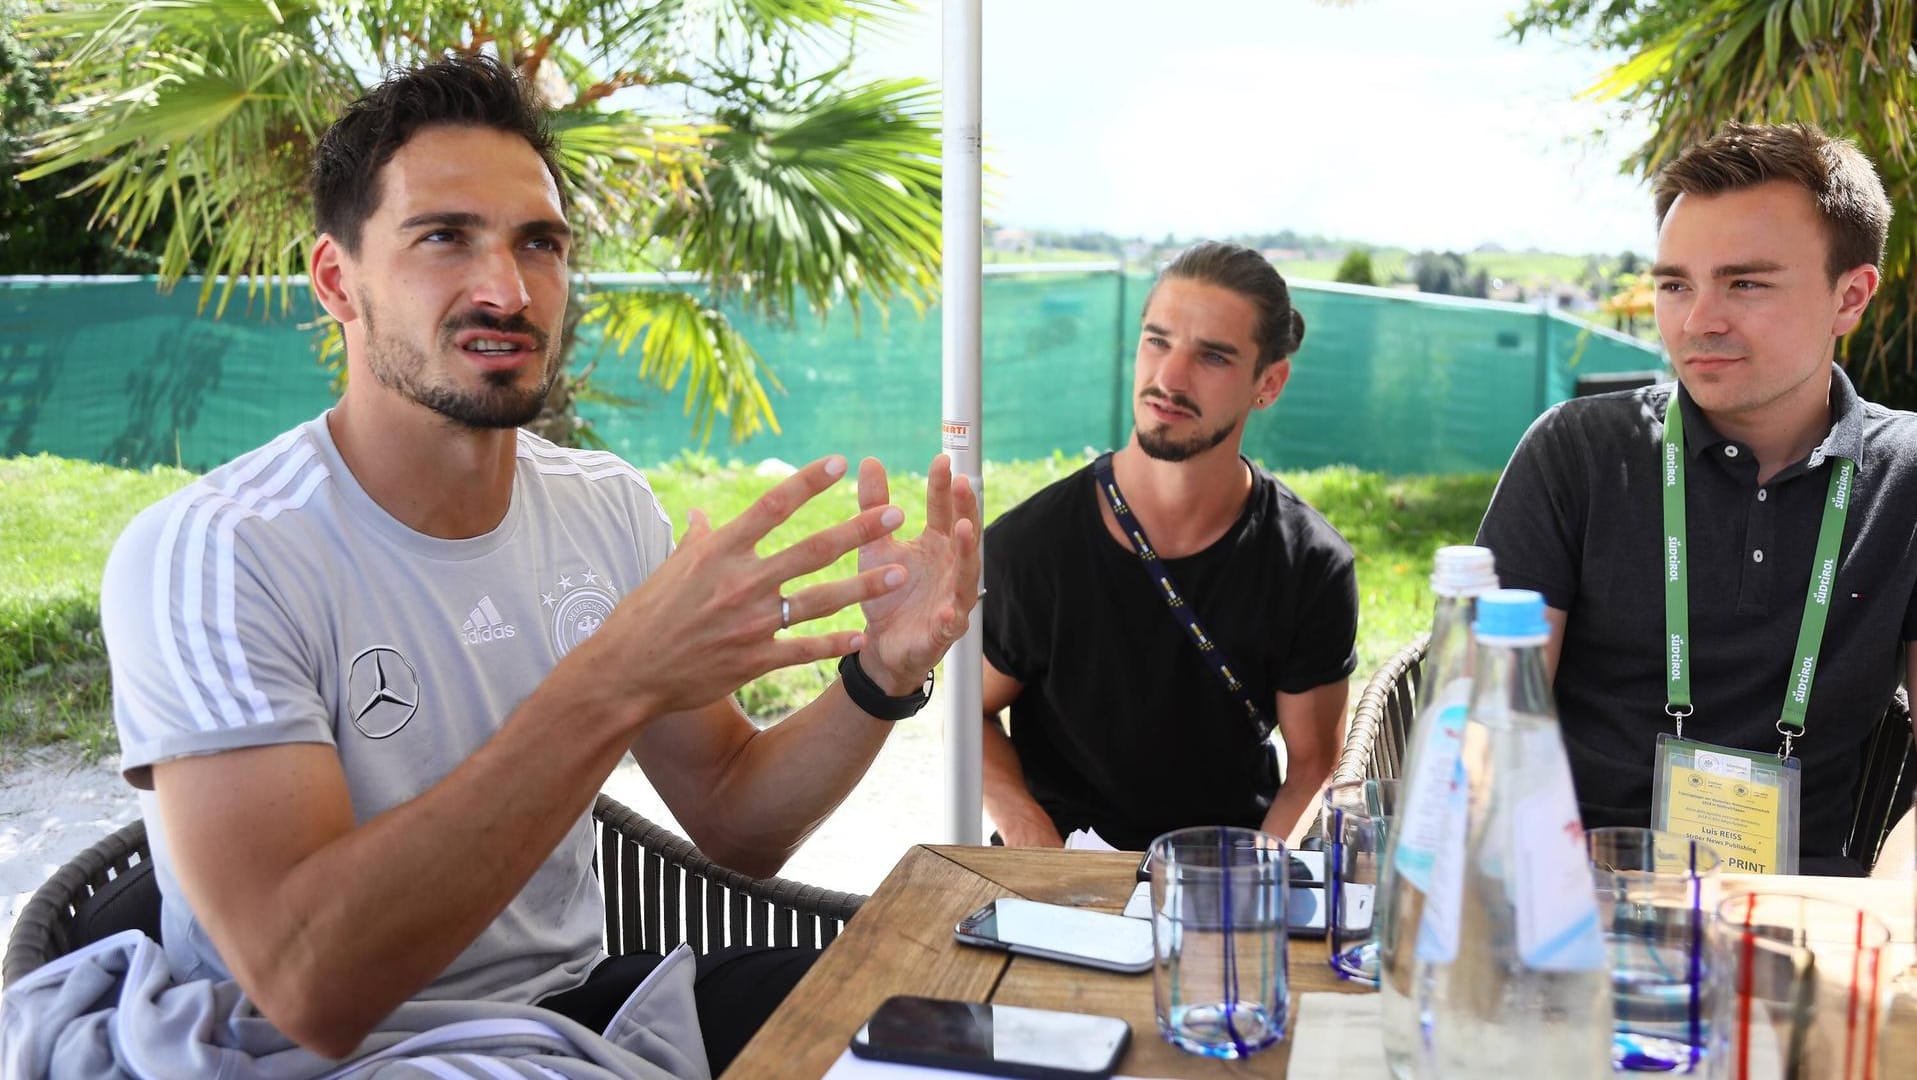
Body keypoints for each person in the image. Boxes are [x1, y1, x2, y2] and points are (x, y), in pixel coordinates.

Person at [97, 55, 979, 1068]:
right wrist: (613, 680)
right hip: (325, 1056)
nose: (507, 290)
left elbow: (736, 819)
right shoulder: (215, 553)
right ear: (339, 281)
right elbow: (311, 988)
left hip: (570, 1014)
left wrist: (881, 676)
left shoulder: (601, 508)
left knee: (960, 1020)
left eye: (540, 244)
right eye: (444, 237)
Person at [1478, 121, 1917, 876]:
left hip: (1805, 917)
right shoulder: (1577, 452)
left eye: (1744, 283)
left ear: (1849, 297)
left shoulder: (1903, 474)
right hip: (1577, 894)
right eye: (1675, 284)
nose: (1697, 320)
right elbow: (1487, 731)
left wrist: (1882, 907)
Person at [978, 241, 1359, 851]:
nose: (1169, 379)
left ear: (1269, 383)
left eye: (1212, 356)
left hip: (1228, 882)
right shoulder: (1030, 547)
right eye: (1157, 341)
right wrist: (1032, 840)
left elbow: (1314, 768)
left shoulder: (1309, 564)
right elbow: (970, 713)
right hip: (1054, 883)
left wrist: (1251, 884)